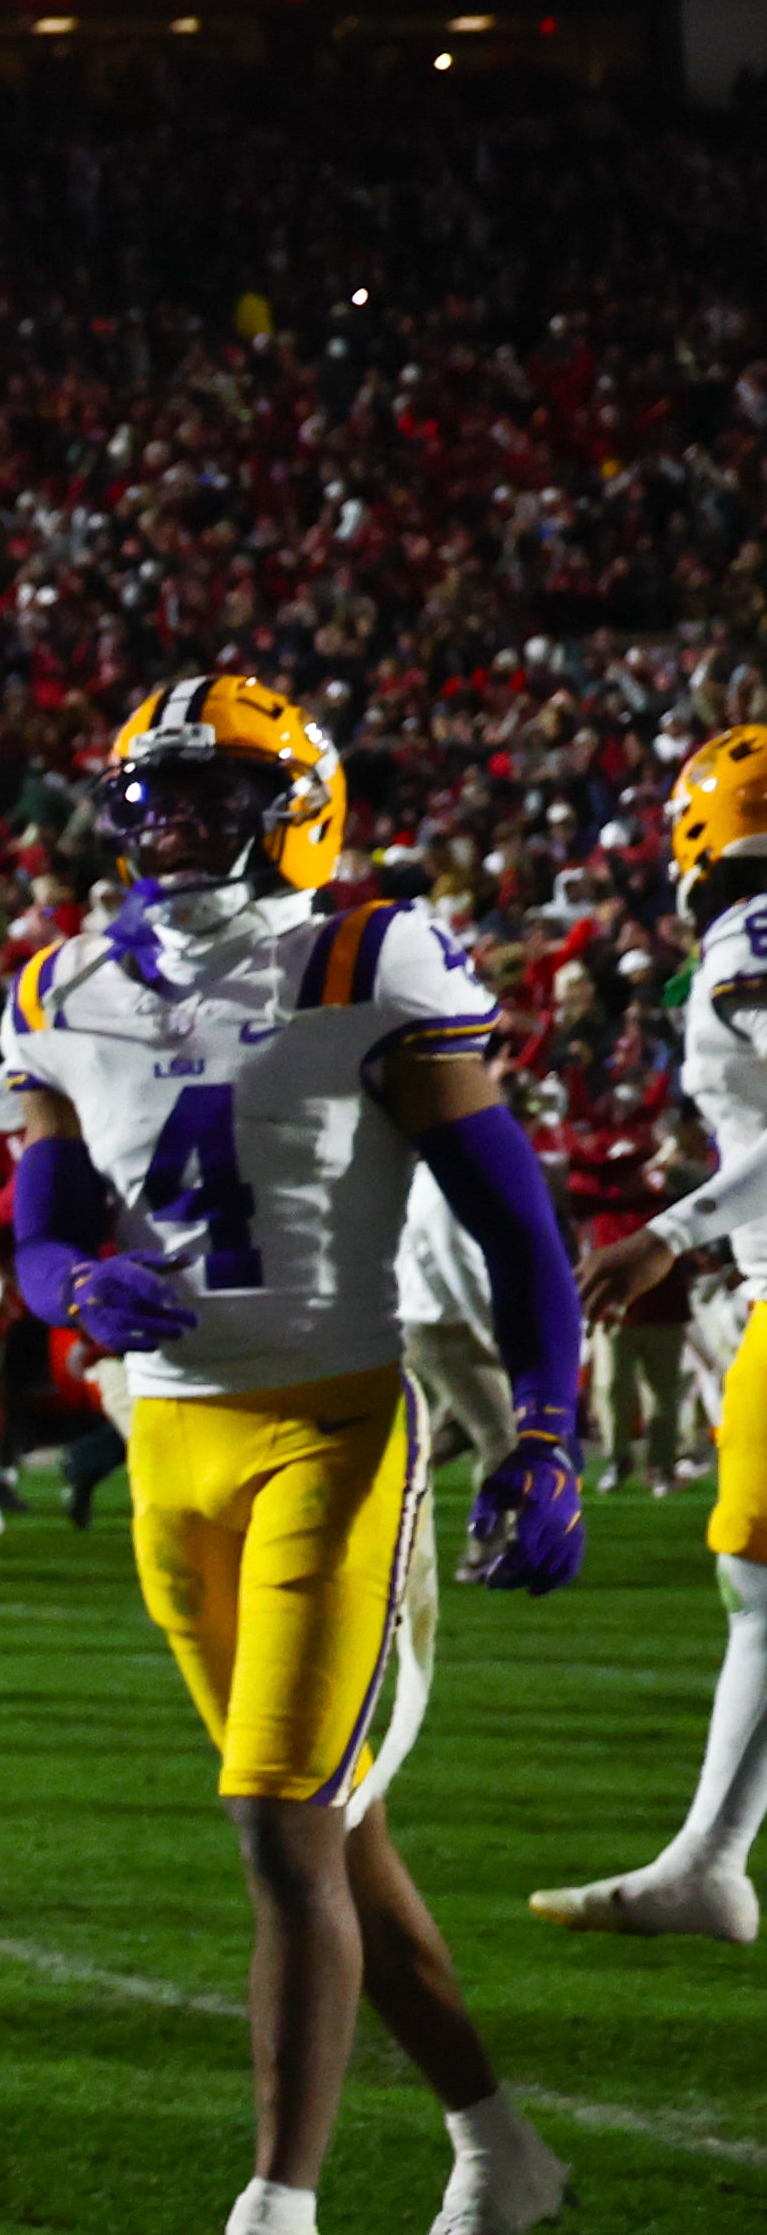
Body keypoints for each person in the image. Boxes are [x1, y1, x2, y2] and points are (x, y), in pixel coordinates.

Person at [0, 674, 589, 2235]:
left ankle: (277, 2204)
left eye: (210, 793)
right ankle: (498, 2147)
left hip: (330, 1425)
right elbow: (39, 1231)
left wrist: (545, 1426)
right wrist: (71, 1291)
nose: (173, 822)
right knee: (321, 1828)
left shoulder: (367, 951)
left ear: (294, 807)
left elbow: (514, 1222)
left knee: (274, 1815)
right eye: (155, 794)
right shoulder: (60, 981)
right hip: (167, 1445)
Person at [528, 719, 767, 1942]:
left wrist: (668, 1229)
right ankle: (709, 1858)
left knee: (760, 1585)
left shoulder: (748, 937)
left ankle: (711, 1862)